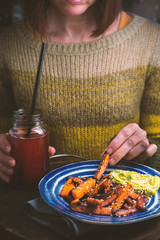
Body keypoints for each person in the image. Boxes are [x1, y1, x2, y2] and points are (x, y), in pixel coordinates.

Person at [0, 0, 160, 183]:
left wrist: (148, 152)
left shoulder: (152, 40)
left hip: (121, 204)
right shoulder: (6, 45)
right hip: (27, 202)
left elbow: (157, 142)